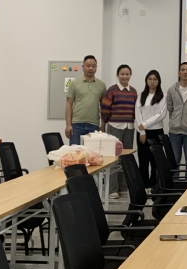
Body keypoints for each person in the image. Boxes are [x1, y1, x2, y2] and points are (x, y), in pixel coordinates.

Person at [100, 64, 137, 199]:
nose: (125, 76)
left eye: (127, 74)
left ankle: (123, 188)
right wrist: (104, 124)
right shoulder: (111, 90)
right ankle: (112, 189)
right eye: (122, 74)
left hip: (129, 128)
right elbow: (104, 109)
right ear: (117, 75)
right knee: (114, 158)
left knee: (126, 158)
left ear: (130, 75)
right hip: (115, 127)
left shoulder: (133, 91)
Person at [135, 70, 167, 190]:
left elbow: (161, 115)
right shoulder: (141, 95)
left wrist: (145, 124)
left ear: (158, 81)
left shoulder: (163, 96)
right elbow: (137, 113)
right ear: (146, 81)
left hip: (156, 132)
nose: (152, 81)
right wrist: (142, 131)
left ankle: (154, 186)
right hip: (142, 133)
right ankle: (144, 187)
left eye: (155, 79)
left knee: (155, 161)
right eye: (150, 79)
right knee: (143, 161)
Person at [65, 55, 107, 145]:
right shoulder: (74, 83)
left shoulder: (101, 85)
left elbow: (103, 106)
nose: (91, 68)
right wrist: (68, 125)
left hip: (94, 125)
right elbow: (68, 104)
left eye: (93, 66)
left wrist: (103, 125)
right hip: (76, 125)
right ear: (83, 67)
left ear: (96, 67)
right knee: (75, 151)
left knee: (92, 152)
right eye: (88, 66)